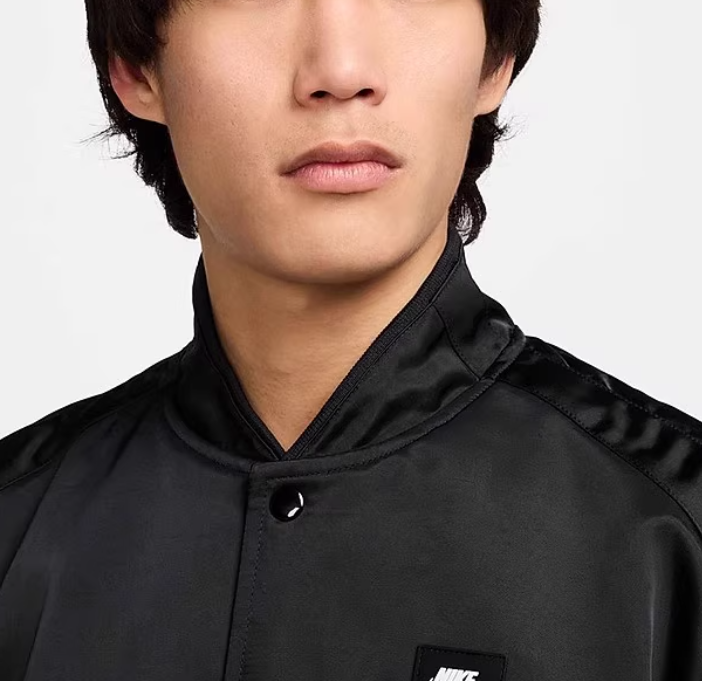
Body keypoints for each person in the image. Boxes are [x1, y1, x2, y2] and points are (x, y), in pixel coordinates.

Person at [1, 0, 701, 679]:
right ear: (135, 65)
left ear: (494, 59)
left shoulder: (672, 536)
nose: (340, 71)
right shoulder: (17, 527)